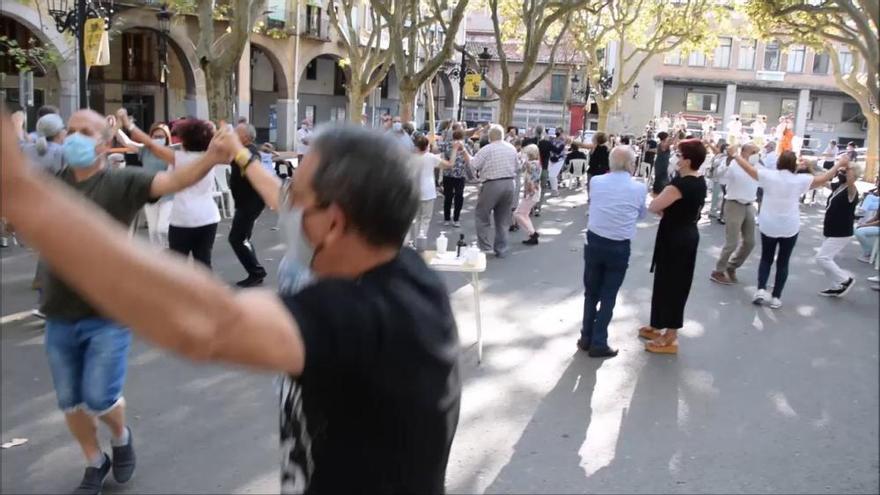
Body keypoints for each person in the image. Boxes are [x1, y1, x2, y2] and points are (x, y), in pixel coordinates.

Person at [1, 114, 461, 493]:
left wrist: (25, 197)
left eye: (295, 200)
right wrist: (241, 156)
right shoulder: (404, 276)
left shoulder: (368, 316)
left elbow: (206, 323)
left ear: (335, 224)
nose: (286, 210)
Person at [4, 108, 226, 495]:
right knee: (70, 401)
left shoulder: (123, 183)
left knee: (100, 396)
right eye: (70, 131)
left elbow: (175, 179)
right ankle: (95, 461)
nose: (73, 138)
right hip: (58, 311)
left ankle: (121, 436)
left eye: (85, 132)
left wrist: (212, 156)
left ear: (105, 144)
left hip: (109, 313)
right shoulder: (52, 183)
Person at [729, 150, 848, 308]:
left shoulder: (768, 175)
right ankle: (776, 297)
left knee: (766, 259)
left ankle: (761, 290)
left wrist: (735, 155)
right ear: (794, 165)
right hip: (789, 226)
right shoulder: (801, 180)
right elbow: (824, 178)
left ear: (778, 163)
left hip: (769, 224)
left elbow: (748, 168)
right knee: (783, 262)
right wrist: (839, 163)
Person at [118, 111, 221, 268]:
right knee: (203, 262)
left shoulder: (178, 157)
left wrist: (128, 124)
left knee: (177, 265)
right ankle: (204, 292)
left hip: (182, 219)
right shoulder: (211, 157)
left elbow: (150, 143)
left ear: (184, 139)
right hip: (208, 217)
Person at [639, 139, 708, 354]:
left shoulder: (680, 184)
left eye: (679, 155)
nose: (676, 159)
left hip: (677, 237)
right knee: (666, 281)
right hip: (682, 233)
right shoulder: (698, 180)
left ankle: (670, 334)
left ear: (687, 160)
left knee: (673, 284)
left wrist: (663, 204)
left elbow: (654, 205)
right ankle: (658, 323)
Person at [579, 146, 647, 358]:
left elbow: (594, 203)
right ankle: (599, 341)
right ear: (630, 164)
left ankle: (586, 336)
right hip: (619, 244)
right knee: (608, 295)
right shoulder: (638, 187)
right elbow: (641, 215)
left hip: (595, 240)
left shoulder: (596, 181)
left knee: (591, 292)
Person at [115, 121, 176, 247]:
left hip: (169, 196)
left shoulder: (172, 150)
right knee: (153, 231)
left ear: (167, 137)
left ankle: (168, 252)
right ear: (150, 137)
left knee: (162, 228)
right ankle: (158, 258)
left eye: (161, 136)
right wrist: (115, 126)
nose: (159, 139)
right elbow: (126, 142)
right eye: (156, 136)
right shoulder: (145, 150)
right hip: (150, 195)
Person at [462, 124, 518, 257]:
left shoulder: (487, 149)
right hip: (510, 183)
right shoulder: (512, 148)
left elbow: (474, 164)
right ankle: (501, 248)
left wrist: (466, 154)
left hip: (492, 184)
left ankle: (485, 246)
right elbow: (518, 166)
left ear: (489, 137)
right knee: (503, 218)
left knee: (482, 215)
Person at [709, 143, 758, 285]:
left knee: (750, 242)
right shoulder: (734, 164)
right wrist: (729, 160)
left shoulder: (757, 166)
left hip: (749, 204)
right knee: (732, 242)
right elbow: (720, 175)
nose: (755, 154)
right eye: (752, 151)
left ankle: (732, 266)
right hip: (734, 203)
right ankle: (718, 271)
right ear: (744, 152)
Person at [228, 123, 269, 286]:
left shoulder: (248, 153)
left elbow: (253, 170)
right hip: (247, 202)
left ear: (245, 137)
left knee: (237, 238)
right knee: (242, 238)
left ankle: (256, 272)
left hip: (250, 202)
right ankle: (256, 271)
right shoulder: (246, 151)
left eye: (236, 133)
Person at [815, 162, 861, 296]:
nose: (843, 172)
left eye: (846, 171)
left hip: (841, 232)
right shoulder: (839, 186)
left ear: (852, 175)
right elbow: (823, 181)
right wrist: (811, 167)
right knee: (827, 258)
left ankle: (845, 280)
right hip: (831, 229)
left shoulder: (852, 190)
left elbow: (851, 180)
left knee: (822, 258)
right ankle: (836, 286)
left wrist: (849, 168)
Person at [411, 134, 448, 240]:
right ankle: (421, 239)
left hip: (415, 191)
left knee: (417, 218)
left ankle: (415, 240)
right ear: (427, 146)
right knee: (426, 218)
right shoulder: (431, 157)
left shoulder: (412, 158)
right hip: (428, 191)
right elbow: (448, 165)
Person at [513, 144, 542, 245]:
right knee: (524, 214)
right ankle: (532, 235)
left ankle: (533, 234)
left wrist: (522, 159)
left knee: (518, 214)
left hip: (531, 192)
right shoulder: (537, 163)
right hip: (534, 191)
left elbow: (521, 169)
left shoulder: (531, 164)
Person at [441, 129, 470, 227]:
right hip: (458, 175)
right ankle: (455, 219)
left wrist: (463, 149)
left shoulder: (464, 146)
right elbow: (468, 160)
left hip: (450, 175)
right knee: (458, 197)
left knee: (449, 197)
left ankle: (447, 218)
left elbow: (468, 159)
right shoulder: (449, 145)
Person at [546, 128, 567, 196]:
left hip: (559, 159)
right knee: (550, 175)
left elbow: (558, 151)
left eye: (559, 132)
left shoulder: (563, 141)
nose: (558, 134)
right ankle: (554, 190)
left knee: (552, 175)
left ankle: (555, 191)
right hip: (552, 159)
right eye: (557, 132)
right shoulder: (552, 140)